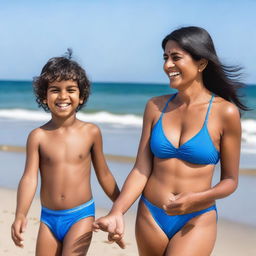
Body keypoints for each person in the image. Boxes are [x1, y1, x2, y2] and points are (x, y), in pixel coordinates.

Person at [93, 26, 247, 256]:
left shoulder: (226, 113)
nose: (167, 65)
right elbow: (141, 170)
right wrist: (117, 212)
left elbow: (230, 181)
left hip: (196, 218)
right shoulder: (155, 107)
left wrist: (197, 198)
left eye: (176, 57)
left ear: (201, 63)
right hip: (150, 214)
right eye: (165, 58)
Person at [11, 49, 120, 255]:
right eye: (55, 90)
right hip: (48, 218)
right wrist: (20, 214)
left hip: (81, 215)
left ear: (81, 97)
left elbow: (104, 174)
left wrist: (119, 207)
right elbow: (29, 178)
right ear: (44, 97)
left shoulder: (91, 132)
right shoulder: (38, 136)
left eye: (71, 89)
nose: (63, 96)